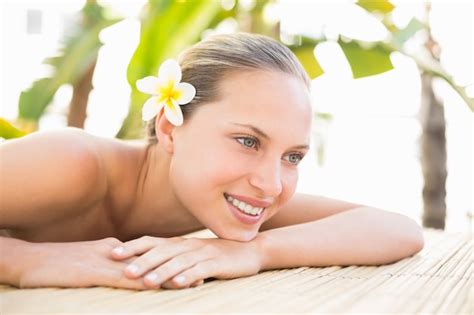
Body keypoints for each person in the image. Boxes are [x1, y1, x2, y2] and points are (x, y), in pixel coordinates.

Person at [0, 32, 424, 291]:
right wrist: (25, 261)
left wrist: (256, 252)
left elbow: (397, 229)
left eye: (292, 156)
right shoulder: (73, 164)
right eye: (247, 141)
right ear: (169, 128)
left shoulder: (237, 197)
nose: (272, 184)